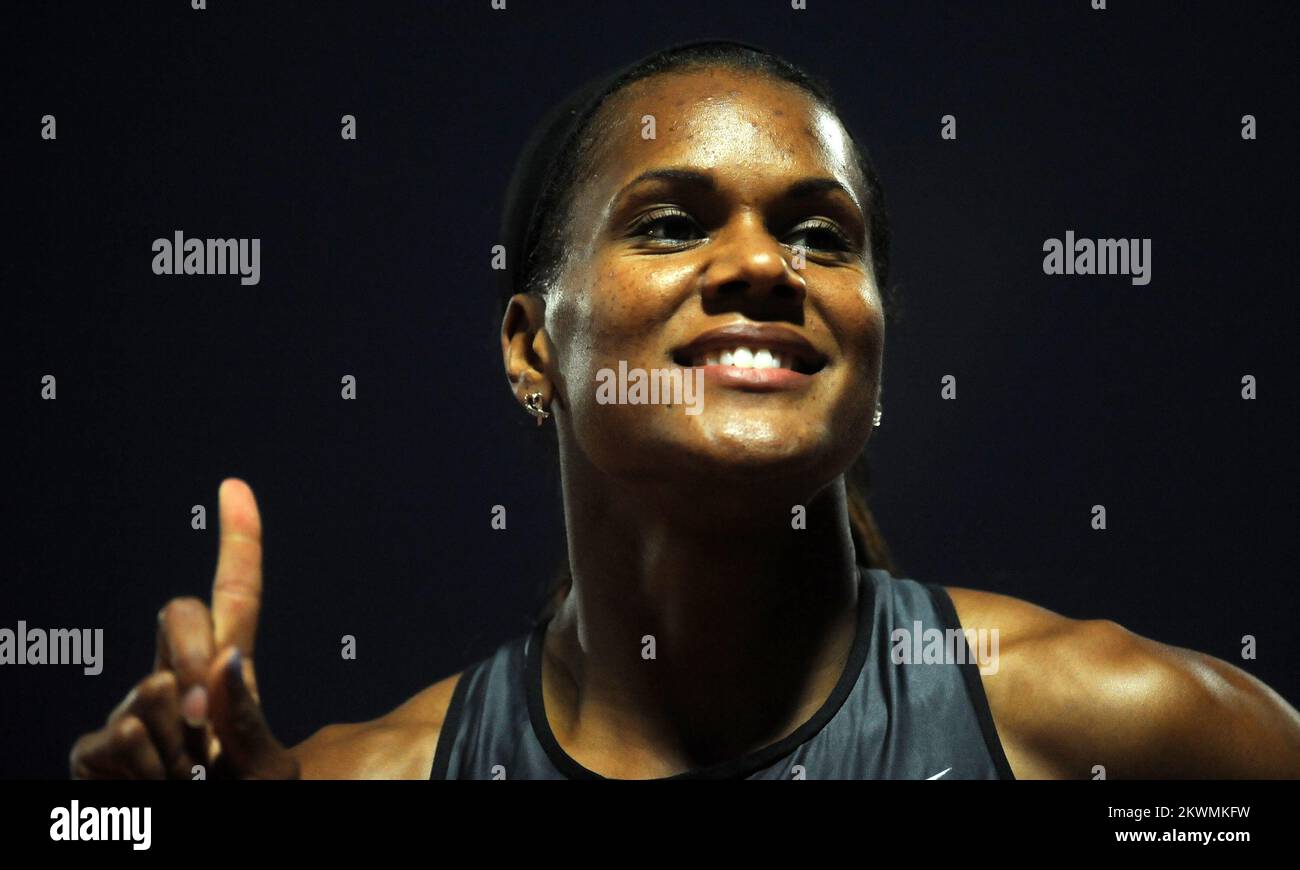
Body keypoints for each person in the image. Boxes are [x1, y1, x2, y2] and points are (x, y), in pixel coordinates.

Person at [70, 40, 1300, 780]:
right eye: (669, 221)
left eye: (822, 235)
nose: (766, 266)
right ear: (531, 347)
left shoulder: (1111, 730)